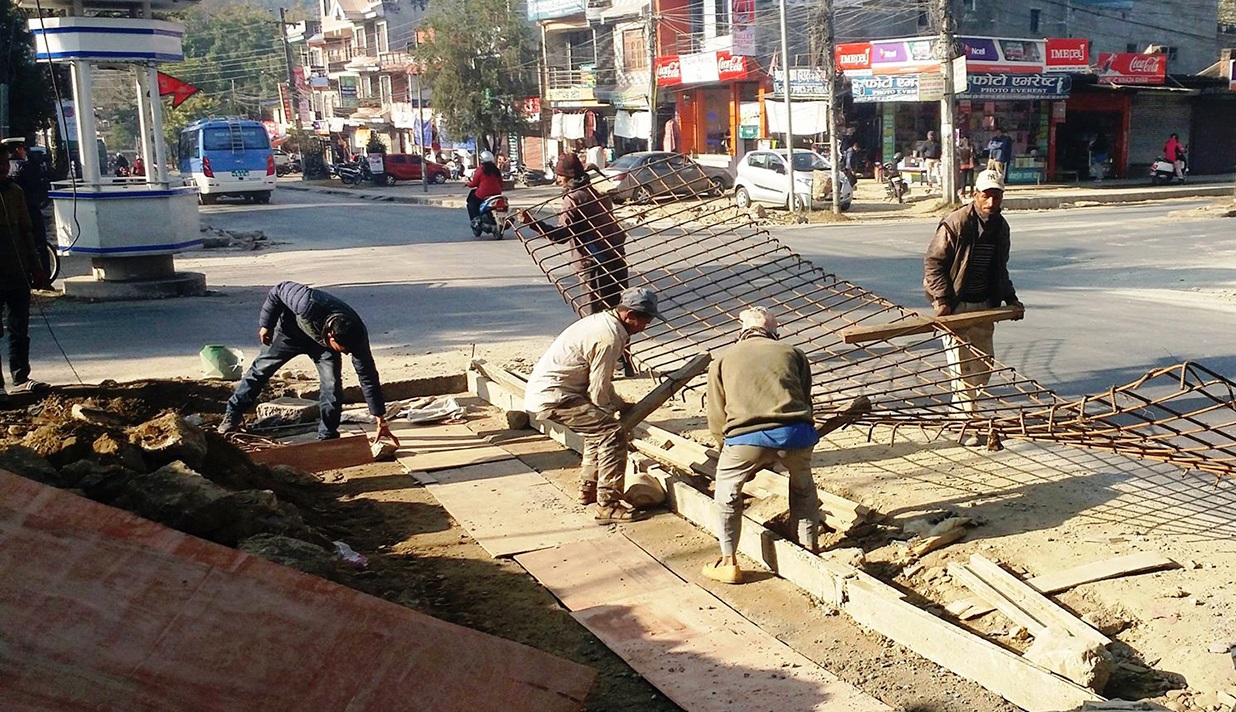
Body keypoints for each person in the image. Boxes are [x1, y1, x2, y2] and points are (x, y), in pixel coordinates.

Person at [702, 306, 819, 584]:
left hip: (745, 437)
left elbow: (717, 414)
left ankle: (728, 562)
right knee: (803, 487)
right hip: (796, 434)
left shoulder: (722, 360)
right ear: (773, 332)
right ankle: (810, 547)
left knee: (728, 492)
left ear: (741, 332)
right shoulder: (793, 353)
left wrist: (725, 447)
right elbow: (804, 396)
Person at [523, 287, 661, 523]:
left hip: (556, 392)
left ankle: (588, 489)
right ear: (629, 316)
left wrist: (620, 404)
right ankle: (608, 505)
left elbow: (601, 385)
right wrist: (611, 416)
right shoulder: (607, 338)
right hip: (556, 396)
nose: (644, 328)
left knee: (597, 429)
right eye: (644, 322)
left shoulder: (602, 323)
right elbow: (598, 388)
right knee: (611, 433)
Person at [219, 281, 399, 444]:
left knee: (332, 385)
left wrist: (380, 418)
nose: (345, 353)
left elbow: (367, 376)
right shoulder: (308, 302)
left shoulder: (356, 336)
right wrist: (267, 324)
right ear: (331, 335)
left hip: (322, 348)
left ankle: (327, 435)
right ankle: (232, 416)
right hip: (289, 335)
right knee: (260, 371)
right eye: (342, 348)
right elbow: (278, 290)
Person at [923, 169, 1024, 426]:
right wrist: (943, 301)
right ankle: (965, 422)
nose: (991, 203)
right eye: (986, 196)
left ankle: (964, 411)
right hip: (956, 303)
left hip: (983, 303)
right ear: (975, 195)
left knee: (983, 365)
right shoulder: (956, 222)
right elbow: (934, 263)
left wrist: (1010, 299)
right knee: (961, 367)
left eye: (997, 197)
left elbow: (1000, 267)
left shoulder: (1000, 227)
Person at [518, 154, 628, 314]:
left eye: (560, 176)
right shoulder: (597, 191)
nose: (558, 180)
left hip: (594, 267)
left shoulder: (574, 198)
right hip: (617, 260)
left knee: (594, 322)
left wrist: (532, 223)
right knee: (617, 317)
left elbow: (561, 235)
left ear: (569, 176)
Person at [0, 145, 51, 397]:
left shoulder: (15, 192)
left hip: (17, 270)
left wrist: (37, 267)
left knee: (19, 327)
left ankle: (21, 376)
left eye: (5, 164)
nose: (3, 169)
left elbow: (26, 231)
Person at [2, 137, 51, 277]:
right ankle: (44, 275)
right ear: (18, 149)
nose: (25, 152)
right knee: (39, 243)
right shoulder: (24, 166)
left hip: (11, 214)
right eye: (24, 149)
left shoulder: (8, 168)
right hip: (29, 209)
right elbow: (36, 186)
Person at [465, 150, 503, 226]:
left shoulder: (480, 169)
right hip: (497, 193)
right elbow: (501, 182)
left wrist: (468, 184)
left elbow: (474, 183)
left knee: (471, 202)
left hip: (483, 194)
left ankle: (475, 220)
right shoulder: (496, 170)